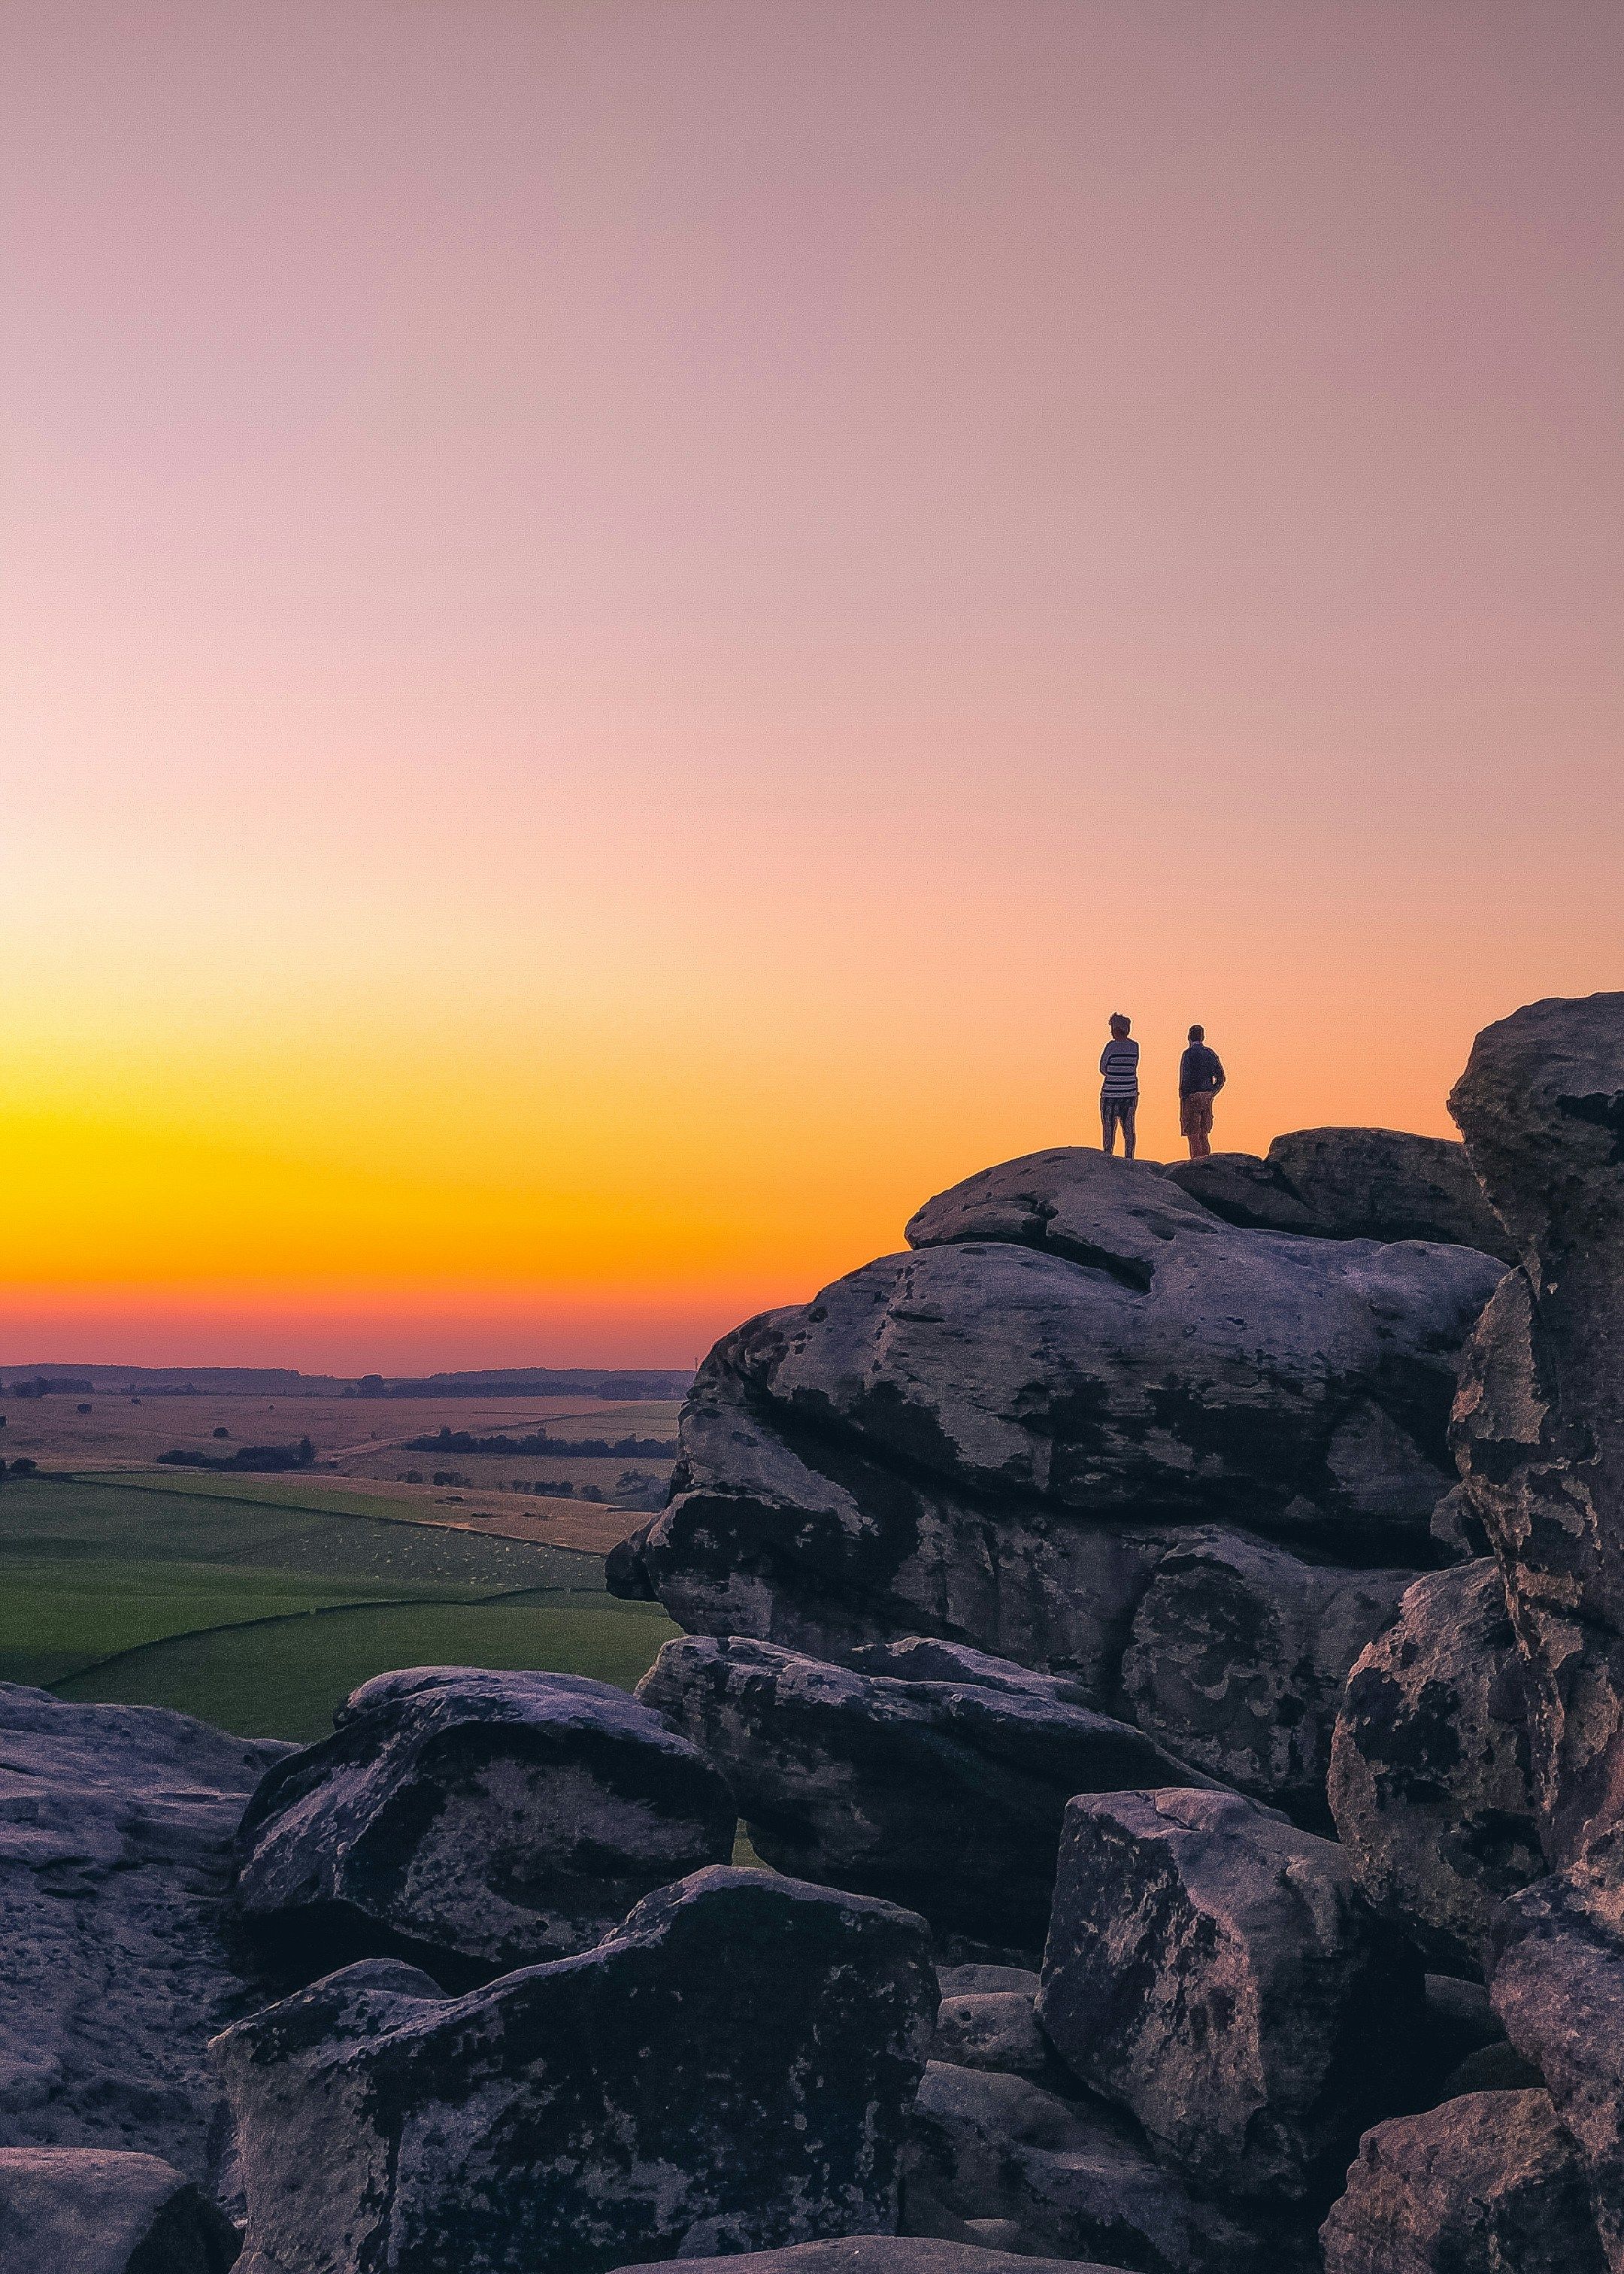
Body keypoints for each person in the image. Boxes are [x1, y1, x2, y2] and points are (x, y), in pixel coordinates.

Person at [1178, 1023, 1226, 1158]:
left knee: (1193, 1134)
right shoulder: (1210, 1054)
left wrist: (1184, 1096)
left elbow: (1185, 1077)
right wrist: (1212, 1092)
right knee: (1204, 1134)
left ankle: (1196, 1163)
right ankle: (1206, 1162)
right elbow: (1221, 1077)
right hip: (1206, 1096)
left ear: (1189, 1037)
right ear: (1203, 1037)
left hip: (1192, 1096)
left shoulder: (1188, 1054)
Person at [1099, 1012, 1140, 1158]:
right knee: (1128, 1127)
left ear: (1117, 1029)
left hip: (1110, 1092)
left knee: (1109, 1127)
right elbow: (1134, 1065)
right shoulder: (1135, 1046)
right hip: (1129, 1092)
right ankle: (1129, 1157)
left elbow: (1102, 1068)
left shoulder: (1110, 1047)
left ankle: (1108, 1155)